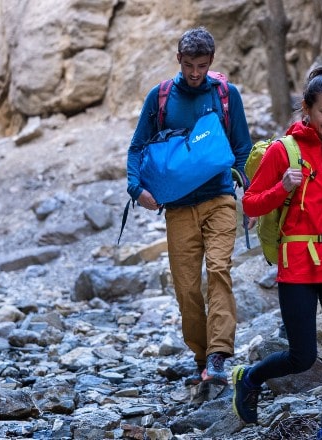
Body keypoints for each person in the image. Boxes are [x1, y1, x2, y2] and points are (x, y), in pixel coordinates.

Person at [232, 66, 322, 440]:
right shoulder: (283, 151)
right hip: (298, 267)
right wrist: (280, 188)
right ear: (306, 109)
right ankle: (250, 377)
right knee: (302, 356)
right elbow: (251, 204)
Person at [126, 27, 252, 386]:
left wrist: (243, 183)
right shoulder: (161, 97)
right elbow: (138, 147)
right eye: (189, 65)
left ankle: (218, 355)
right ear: (178, 60)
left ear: (211, 62)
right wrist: (137, 189)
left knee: (218, 269)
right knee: (186, 289)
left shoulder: (227, 95)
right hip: (179, 207)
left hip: (219, 200)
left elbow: (242, 146)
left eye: (201, 65)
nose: (195, 73)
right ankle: (201, 356)